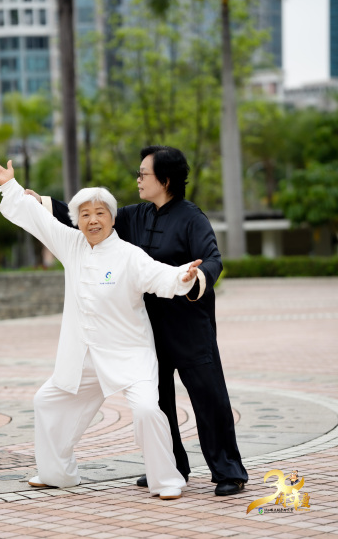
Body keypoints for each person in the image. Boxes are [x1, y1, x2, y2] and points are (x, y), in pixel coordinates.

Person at [31, 145, 248, 496]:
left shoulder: (192, 218)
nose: (138, 179)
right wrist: (41, 203)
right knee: (158, 401)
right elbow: (92, 218)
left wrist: (195, 277)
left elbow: (213, 259)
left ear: (165, 180)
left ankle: (228, 471)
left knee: (208, 398)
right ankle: (171, 467)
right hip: (148, 328)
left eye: (143, 174)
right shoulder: (136, 215)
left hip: (189, 327)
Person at [0, 155, 202, 500]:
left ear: (112, 218)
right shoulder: (71, 244)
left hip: (128, 353)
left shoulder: (129, 255)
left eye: (100, 213)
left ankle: (167, 480)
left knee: (147, 409)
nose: (92, 220)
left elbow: (160, 275)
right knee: (46, 401)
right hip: (83, 355)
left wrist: (183, 276)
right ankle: (58, 474)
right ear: (77, 221)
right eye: (84, 214)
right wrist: (9, 185)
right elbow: (38, 220)